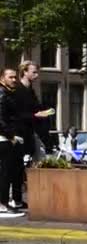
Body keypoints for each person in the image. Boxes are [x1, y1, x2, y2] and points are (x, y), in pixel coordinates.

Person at [0, 68, 26, 218]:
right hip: (4, 138)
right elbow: (1, 119)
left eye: (15, 77)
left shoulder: (7, 93)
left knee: (7, 172)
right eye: (11, 77)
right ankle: (2, 204)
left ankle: (4, 202)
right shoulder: (2, 94)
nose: (14, 80)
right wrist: (11, 136)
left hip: (7, 137)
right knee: (5, 173)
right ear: (3, 78)